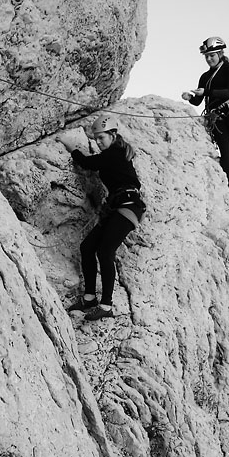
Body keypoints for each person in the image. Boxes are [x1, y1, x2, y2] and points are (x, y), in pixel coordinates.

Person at [57, 115, 146, 321]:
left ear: (113, 136)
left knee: (105, 251)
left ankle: (106, 305)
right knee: (87, 247)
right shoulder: (114, 153)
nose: (98, 142)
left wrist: (71, 146)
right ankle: (89, 298)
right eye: (96, 139)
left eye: (102, 138)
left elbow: (88, 163)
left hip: (129, 206)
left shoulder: (114, 152)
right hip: (117, 206)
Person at [182, 36, 229, 198]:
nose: (208, 59)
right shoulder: (205, 77)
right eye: (206, 56)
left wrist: (206, 92)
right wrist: (190, 97)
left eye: (212, 55)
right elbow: (199, 101)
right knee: (225, 151)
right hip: (217, 117)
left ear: (220, 53)